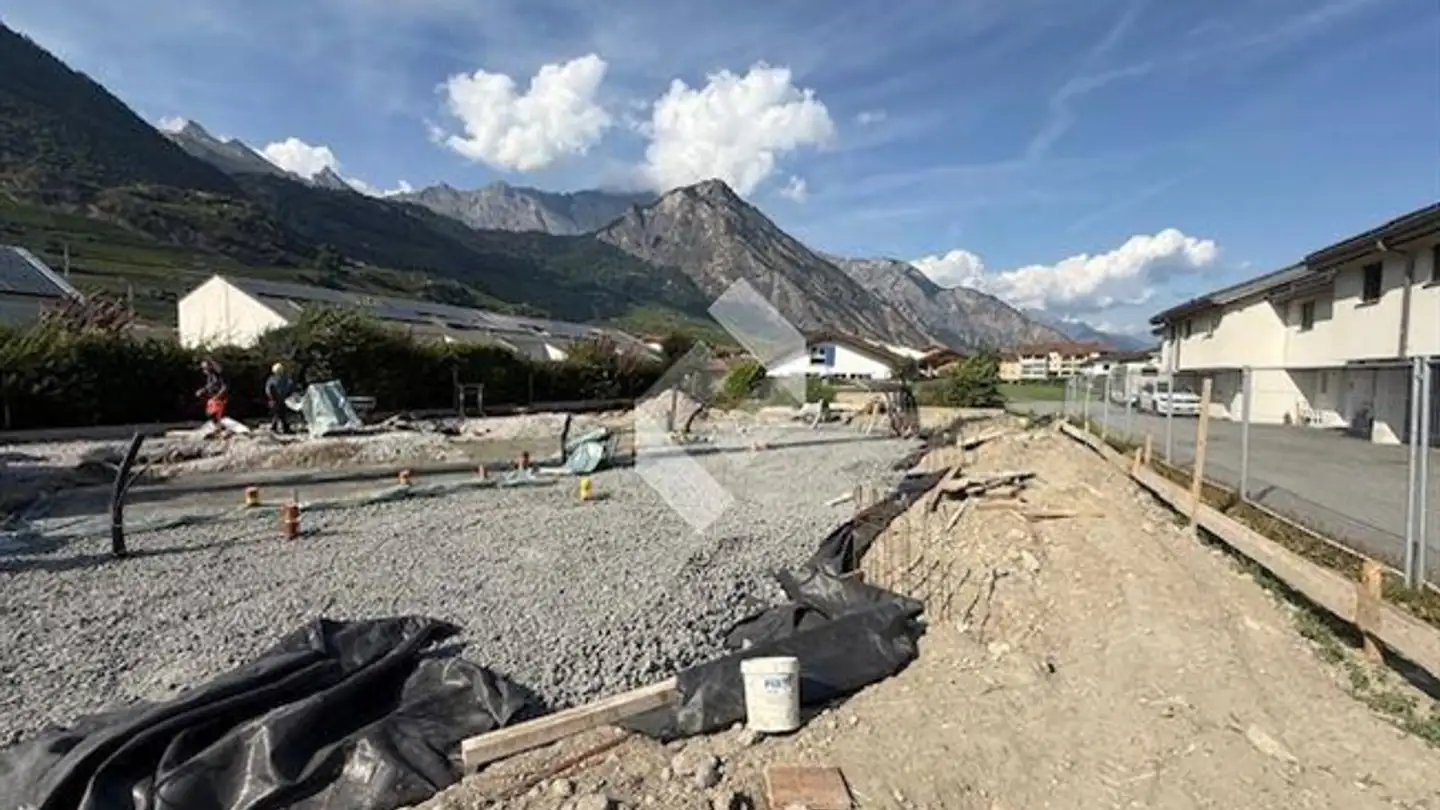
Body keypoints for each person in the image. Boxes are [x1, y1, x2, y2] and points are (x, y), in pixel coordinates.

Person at [196, 358, 228, 428]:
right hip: (213, 398)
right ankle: (219, 428)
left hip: (219, 398)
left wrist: (217, 396)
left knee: (214, 414)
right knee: (210, 414)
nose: (203, 370)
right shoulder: (210, 376)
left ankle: (221, 428)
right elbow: (210, 385)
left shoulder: (217, 375)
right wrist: (202, 390)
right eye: (203, 368)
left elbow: (224, 387)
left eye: (205, 367)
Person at [264, 362, 295, 434]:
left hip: (278, 399)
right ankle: (282, 428)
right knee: (280, 414)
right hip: (278, 399)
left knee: (279, 414)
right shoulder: (284, 379)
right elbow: (290, 387)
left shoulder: (272, 379)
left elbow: (268, 390)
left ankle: (277, 428)